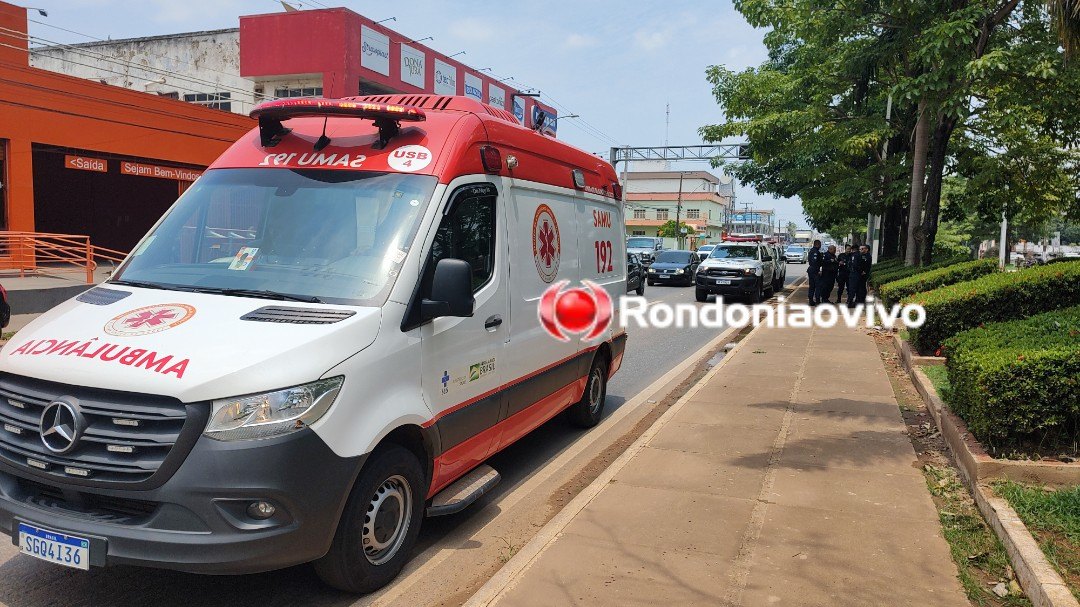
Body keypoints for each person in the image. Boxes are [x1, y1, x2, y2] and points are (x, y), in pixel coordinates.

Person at [806, 239, 822, 305]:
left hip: (811, 270)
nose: (820, 246)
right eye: (820, 245)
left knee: (812, 286)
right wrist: (818, 271)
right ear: (817, 244)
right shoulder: (815, 252)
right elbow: (814, 262)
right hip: (814, 271)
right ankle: (817, 301)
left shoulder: (811, 251)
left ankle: (811, 300)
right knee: (817, 286)